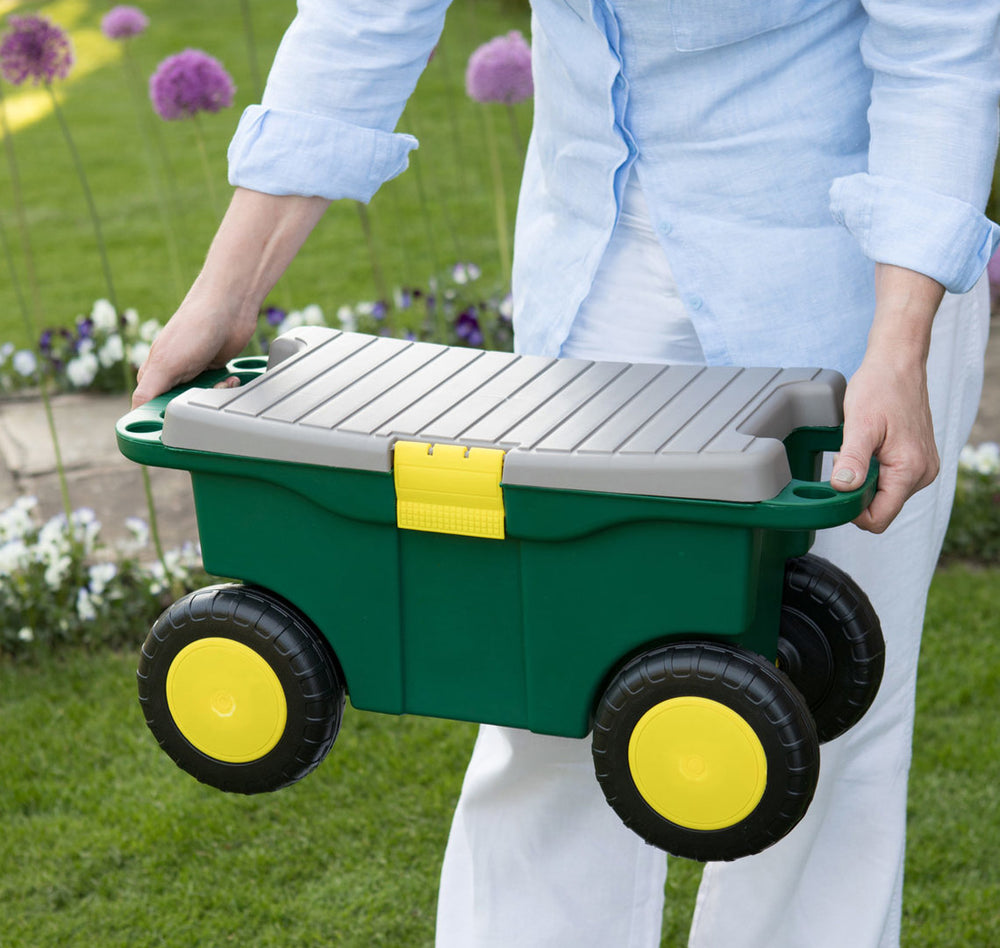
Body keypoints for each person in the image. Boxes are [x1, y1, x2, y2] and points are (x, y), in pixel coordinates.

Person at [132, 2, 1000, 946]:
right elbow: (362, 17)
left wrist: (899, 342)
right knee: (543, 698)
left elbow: (940, 45)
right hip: (595, 273)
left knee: (817, 719)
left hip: (846, 289)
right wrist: (227, 295)